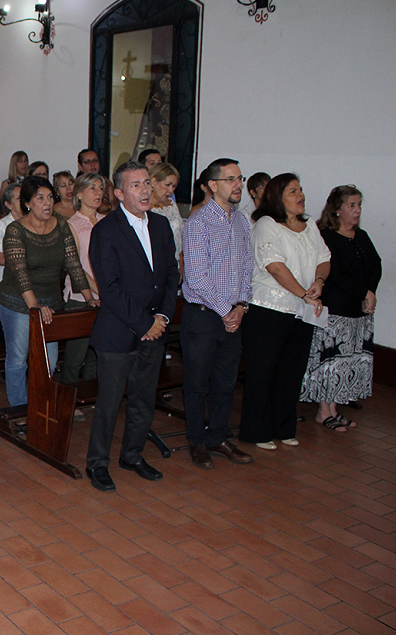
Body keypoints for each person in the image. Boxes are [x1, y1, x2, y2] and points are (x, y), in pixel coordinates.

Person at [85, 161, 180, 492]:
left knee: (143, 398)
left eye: (147, 183)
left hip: (155, 327)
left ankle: (133, 454)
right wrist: (144, 323)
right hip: (119, 331)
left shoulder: (161, 225)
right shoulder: (106, 230)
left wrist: (162, 318)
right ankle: (97, 463)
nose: (145, 190)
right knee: (109, 403)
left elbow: (171, 275)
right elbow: (109, 288)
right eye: (136, 185)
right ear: (119, 192)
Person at [240, 173, 331, 450]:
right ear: (278, 198)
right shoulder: (266, 225)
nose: (300, 195)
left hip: (301, 310)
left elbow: (324, 258)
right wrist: (304, 293)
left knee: (291, 370)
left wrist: (318, 282)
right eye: (293, 191)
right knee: (263, 370)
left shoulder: (309, 225)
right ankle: (257, 430)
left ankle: (283, 427)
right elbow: (275, 267)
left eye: (300, 190)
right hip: (269, 309)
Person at [180, 158, 254, 469]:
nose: (238, 185)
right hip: (203, 315)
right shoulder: (197, 223)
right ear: (213, 185)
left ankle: (219, 437)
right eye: (230, 179)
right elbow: (196, 276)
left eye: (240, 178)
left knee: (225, 381)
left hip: (232, 315)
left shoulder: (241, 221)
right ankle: (197, 441)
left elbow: (247, 268)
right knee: (198, 382)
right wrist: (227, 311)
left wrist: (241, 305)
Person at [0, 176, 93, 407]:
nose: (47, 203)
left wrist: (90, 298)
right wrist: (35, 306)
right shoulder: (15, 230)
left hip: (50, 303)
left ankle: (39, 403)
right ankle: (19, 409)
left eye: (50, 197)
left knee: (49, 362)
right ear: (28, 203)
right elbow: (19, 274)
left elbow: (73, 265)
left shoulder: (61, 226)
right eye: (40, 198)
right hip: (18, 302)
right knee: (19, 359)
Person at [300, 185, 381, 430]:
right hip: (336, 310)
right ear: (336, 210)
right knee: (332, 361)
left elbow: (375, 266)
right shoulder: (326, 236)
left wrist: (371, 294)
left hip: (359, 310)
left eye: (359, 205)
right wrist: (362, 292)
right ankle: (323, 412)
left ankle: (334, 407)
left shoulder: (362, 236)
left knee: (349, 361)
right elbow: (333, 273)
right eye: (351, 205)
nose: (357, 211)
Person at [60, 173, 106, 387]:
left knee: (96, 355)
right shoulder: (72, 224)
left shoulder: (107, 222)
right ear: (79, 194)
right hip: (80, 296)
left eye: (100, 188)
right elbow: (74, 265)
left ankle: (89, 396)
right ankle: (68, 399)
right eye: (92, 188)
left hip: (105, 295)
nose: (98, 193)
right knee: (75, 356)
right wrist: (99, 290)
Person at [149, 162, 184, 274]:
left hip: (173, 264)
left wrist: (181, 266)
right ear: (154, 182)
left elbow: (180, 238)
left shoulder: (172, 204)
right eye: (167, 185)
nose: (171, 191)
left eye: (174, 186)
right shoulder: (143, 207)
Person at [0, 183, 21, 283]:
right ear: (8, 204)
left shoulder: (33, 223)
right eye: (18, 198)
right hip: (5, 279)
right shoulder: (1, 225)